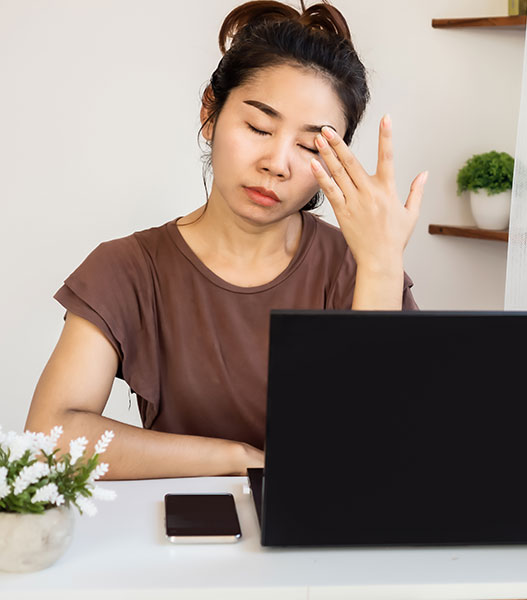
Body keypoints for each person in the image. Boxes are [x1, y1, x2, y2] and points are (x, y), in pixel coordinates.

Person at [24, 0, 428, 480]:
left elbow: (397, 446)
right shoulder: (129, 270)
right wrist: (237, 459)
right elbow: (49, 440)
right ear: (210, 113)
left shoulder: (357, 266)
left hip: (332, 541)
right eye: (258, 126)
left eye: (307, 145)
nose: (277, 162)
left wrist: (381, 266)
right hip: (183, 541)